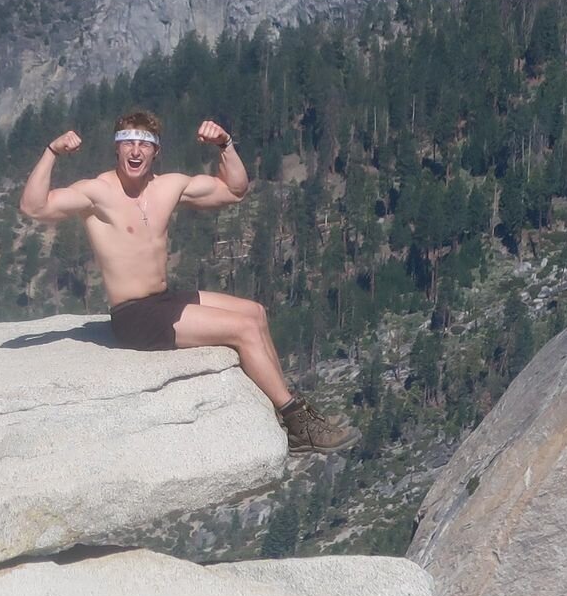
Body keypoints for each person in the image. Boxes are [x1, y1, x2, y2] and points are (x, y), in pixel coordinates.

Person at [18, 108, 358, 453]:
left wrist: (225, 145)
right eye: (128, 143)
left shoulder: (169, 186)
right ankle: (298, 421)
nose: (136, 151)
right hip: (135, 317)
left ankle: (283, 411)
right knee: (243, 330)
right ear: (116, 149)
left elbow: (234, 190)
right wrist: (52, 152)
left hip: (162, 300)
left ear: (156, 151)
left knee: (254, 313)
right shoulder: (96, 193)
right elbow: (34, 207)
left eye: (144, 144)